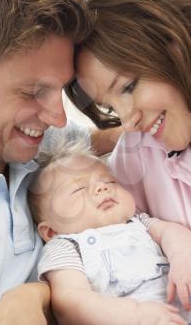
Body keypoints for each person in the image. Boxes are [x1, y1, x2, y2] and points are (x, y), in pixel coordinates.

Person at [0, 0, 98, 324]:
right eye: (33, 92)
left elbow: (120, 138)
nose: (59, 118)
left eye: (61, 89)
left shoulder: (41, 148)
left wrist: (37, 292)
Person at [65, 0, 191, 228]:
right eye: (109, 107)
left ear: (175, 44)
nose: (127, 122)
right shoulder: (134, 158)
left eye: (128, 87)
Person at [28, 139, 191, 325]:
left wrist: (182, 256)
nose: (102, 187)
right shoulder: (66, 246)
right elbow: (70, 301)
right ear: (51, 232)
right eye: (79, 188)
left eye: (110, 181)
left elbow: (173, 233)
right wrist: (134, 314)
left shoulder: (139, 222)